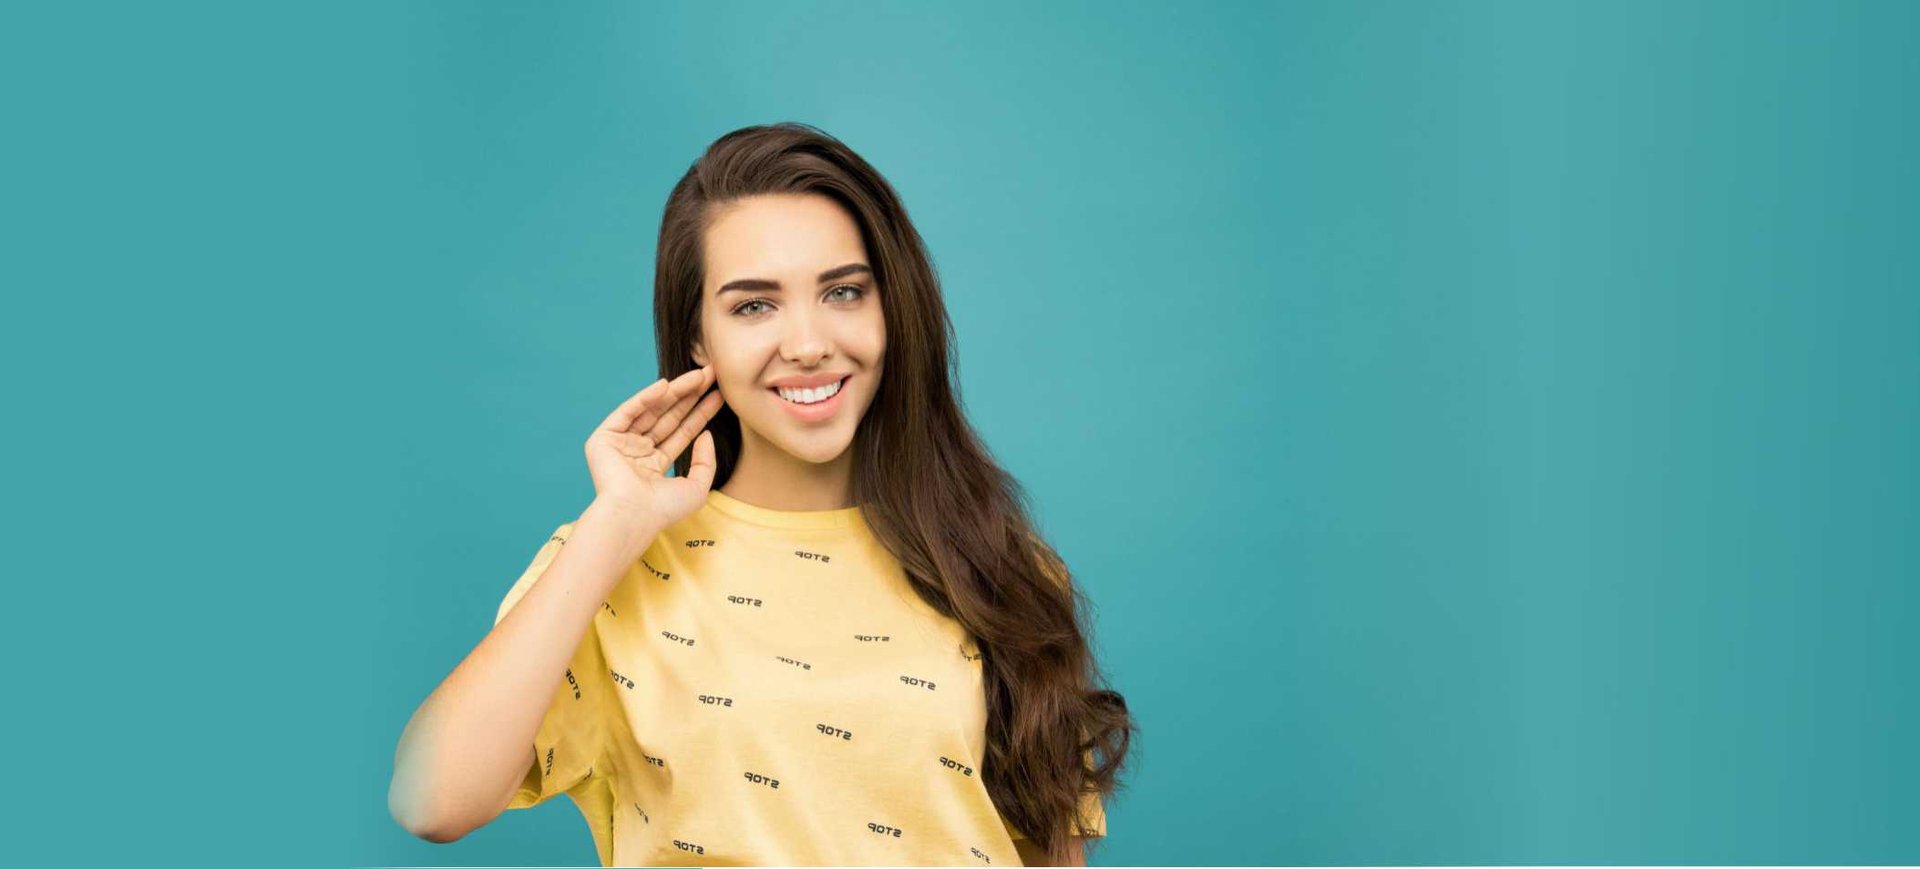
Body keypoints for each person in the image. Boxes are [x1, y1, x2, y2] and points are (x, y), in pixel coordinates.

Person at [388, 122, 1132, 867]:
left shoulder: (998, 561)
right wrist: (612, 525)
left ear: (890, 311)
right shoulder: (607, 564)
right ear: (698, 340)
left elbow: (1048, 851)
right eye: (754, 305)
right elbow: (432, 801)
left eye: (843, 292)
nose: (808, 343)